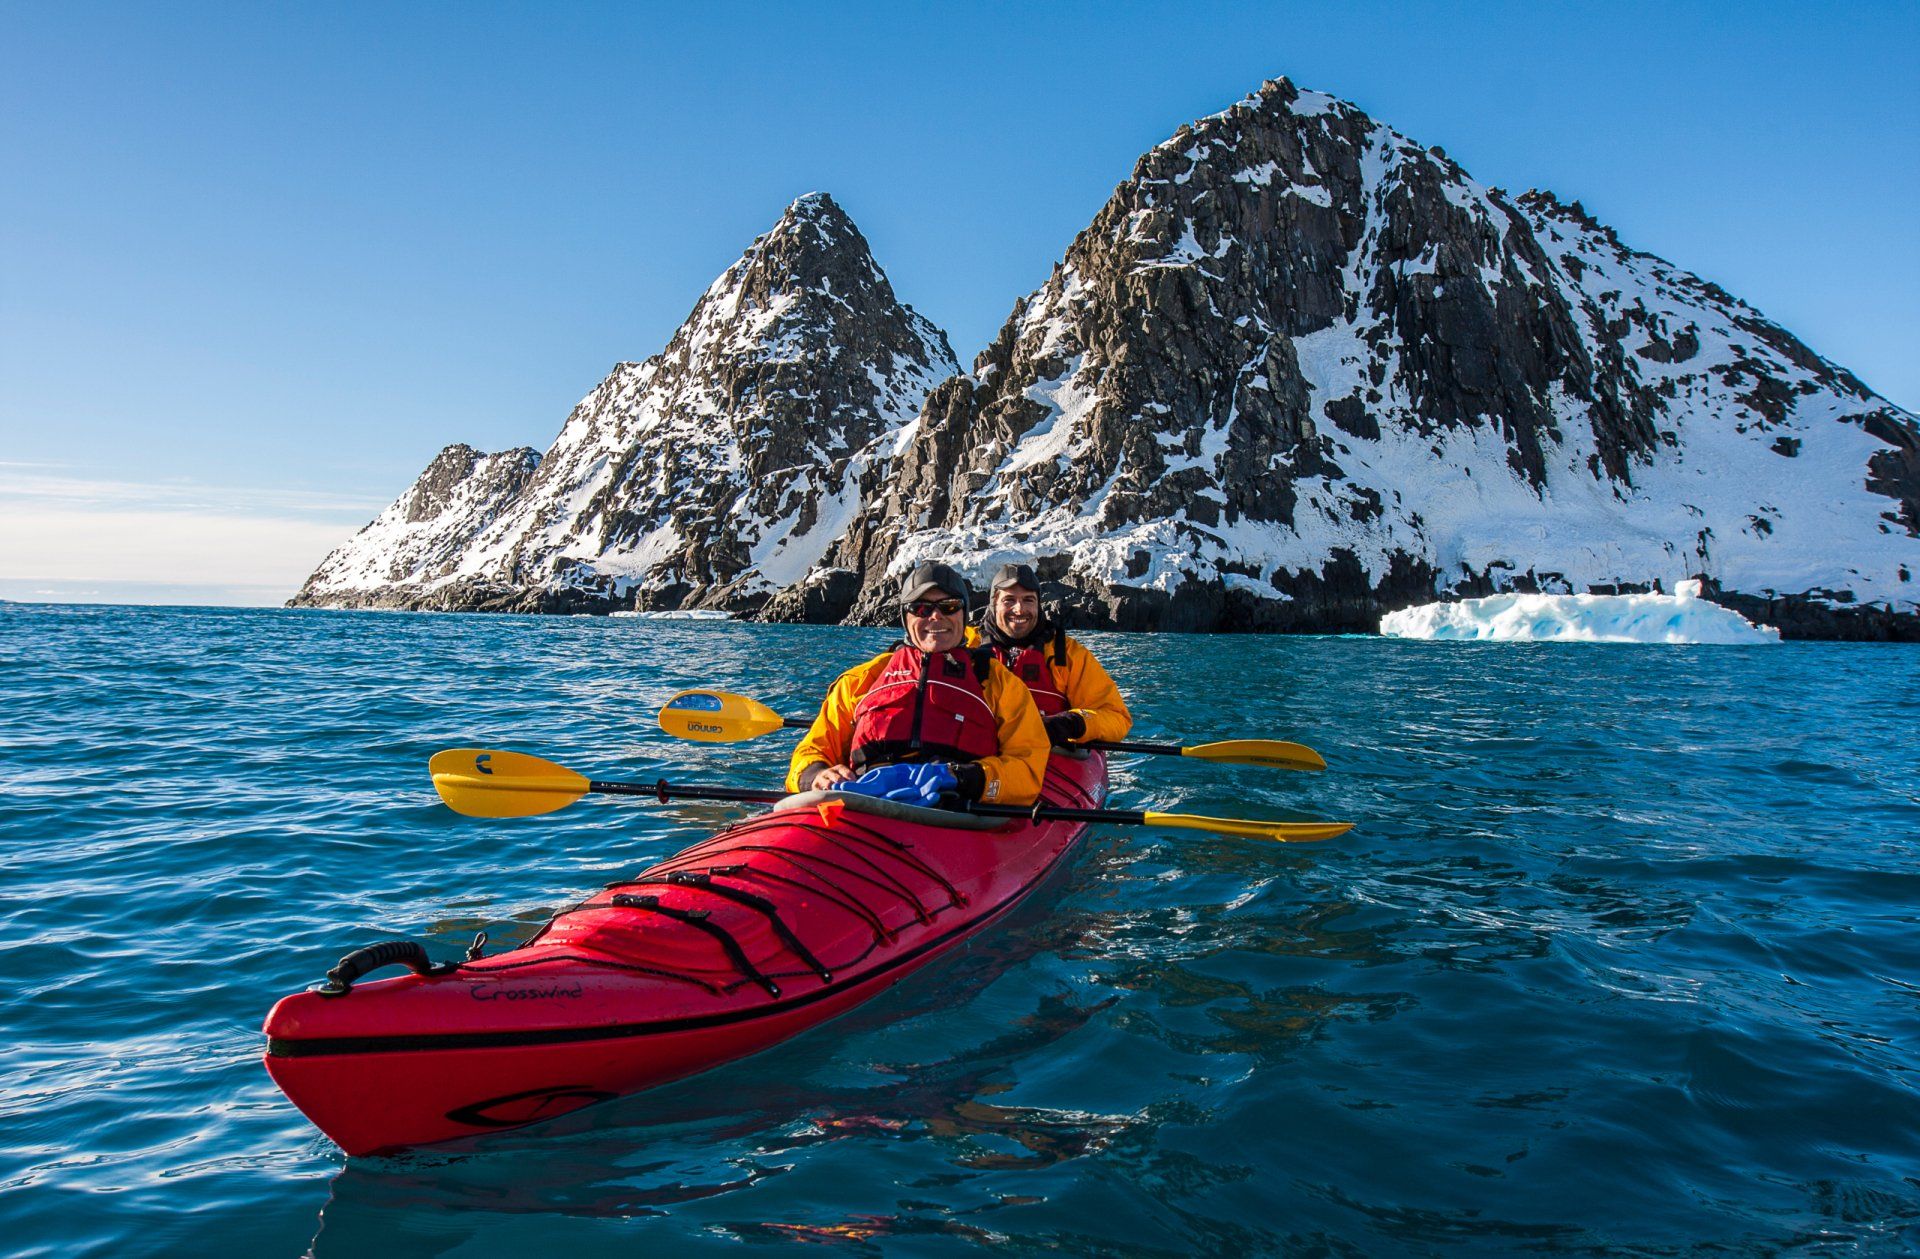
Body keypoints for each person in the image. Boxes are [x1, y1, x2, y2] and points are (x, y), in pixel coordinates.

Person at [786, 562, 1051, 807]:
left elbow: (1027, 767)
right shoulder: (859, 682)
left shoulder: (1001, 685)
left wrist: (962, 777)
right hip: (865, 802)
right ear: (905, 617)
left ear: (964, 613)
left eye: (948, 606)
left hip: (958, 809)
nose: (936, 617)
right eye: (921, 609)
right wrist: (817, 774)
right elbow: (811, 750)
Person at [967, 562, 1133, 747]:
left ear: (1038, 605)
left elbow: (1116, 717)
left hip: (1051, 757)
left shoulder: (1068, 654)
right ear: (994, 604)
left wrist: (1071, 723)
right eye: (1009, 600)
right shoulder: (967, 647)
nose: (1019, 609)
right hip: (982, 757)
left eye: (1028, 600)